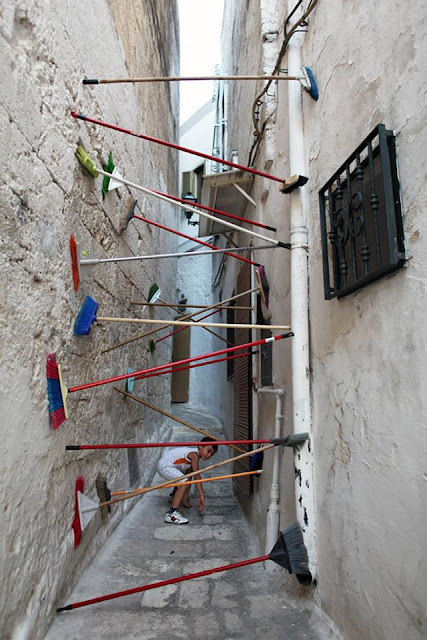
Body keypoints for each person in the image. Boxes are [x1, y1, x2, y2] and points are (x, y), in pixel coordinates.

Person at [156, 437, 218, 524]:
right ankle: (171, 513)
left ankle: (177, 496)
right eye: (208, 451)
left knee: (185, 479)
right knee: (183, 481)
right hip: (165, 466)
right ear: (200, 446)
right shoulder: (194, 455)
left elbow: (189, 478)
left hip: (166, 465)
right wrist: (201, 495)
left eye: (211, 454)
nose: (209, 455)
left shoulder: (193, 456)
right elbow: (197, 476)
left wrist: (185, 501)